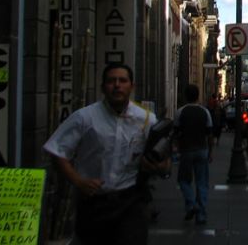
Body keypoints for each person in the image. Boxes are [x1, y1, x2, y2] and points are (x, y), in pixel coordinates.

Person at [43, 62, 170, 245]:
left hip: (130, 202)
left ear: (131, 87)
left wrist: (159, 167)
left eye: (123, 81)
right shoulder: (85, 117)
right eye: (111, 81)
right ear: (103, 87)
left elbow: (164, 161)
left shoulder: (146, 119)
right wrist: (79, 181)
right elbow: (57, 150)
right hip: (94, 204)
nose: (117, 85)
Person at [173, 84, 213, 224]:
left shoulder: (180, 112)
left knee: (183, 180)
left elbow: (176, 132)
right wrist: (210, 152)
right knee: (202, 182)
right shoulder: (205, 112)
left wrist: (176, 147)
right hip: (202, 149)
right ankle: (201, 214)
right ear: (197, 96)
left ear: (185, 96)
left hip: (186, 150)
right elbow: (209, 134)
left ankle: (191, 204)